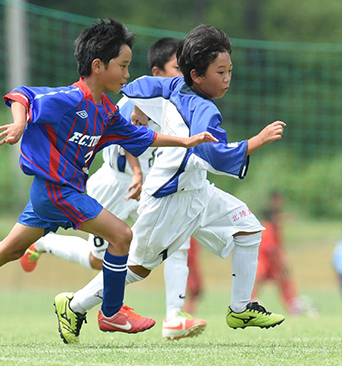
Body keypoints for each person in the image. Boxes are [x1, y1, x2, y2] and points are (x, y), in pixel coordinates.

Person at [0, 19, 217, 342]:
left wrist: (185, 142)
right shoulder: (70, 98)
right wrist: (19, 125)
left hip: (53, 193)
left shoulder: (105, 112)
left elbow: (141, 134)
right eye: (122, 66)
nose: (126, 74)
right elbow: (21, 96)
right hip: (56, 190)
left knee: (10, 249)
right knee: (122, 236)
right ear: (98, 66)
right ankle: (111, 313)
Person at [56, 24, 287, 344]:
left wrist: (137, 106)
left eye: (229, 70)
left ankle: (240, 307)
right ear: (196, 75)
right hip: (169, 197)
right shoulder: (203, 110)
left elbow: (137, 86)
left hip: (197, 190)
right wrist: (255, 142)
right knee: (138, 268)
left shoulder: (171, 85)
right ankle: (74, 305)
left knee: (248, 227)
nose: (227, 78)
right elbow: (215, 156)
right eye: (220, 71)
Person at [19, 37, 207, 340]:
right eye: (177, 68)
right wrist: (136, 172)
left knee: (175, 240)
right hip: (116, 184)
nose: (184, 75)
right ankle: (42, 244)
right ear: (158, 72)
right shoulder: (133, 96)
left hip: (151, 186)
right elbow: (127, 135)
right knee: (99, 259)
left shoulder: (180, 102)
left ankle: (173, 317)